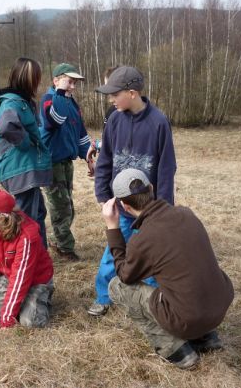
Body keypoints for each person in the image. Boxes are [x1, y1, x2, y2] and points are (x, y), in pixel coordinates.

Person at [102, 168, 234, 369]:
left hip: (190, 318)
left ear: (125, 207)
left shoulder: (143, 239)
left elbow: (125, 276)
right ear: (152, 188)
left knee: (116, 287)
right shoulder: (186, 213)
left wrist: (112, 228)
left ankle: (174, 348)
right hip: (219, 307)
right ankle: (206, 337)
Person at [88, 66, 177, 317]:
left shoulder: (159, 122)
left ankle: (151, 302)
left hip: (149, 210)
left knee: (151, 254)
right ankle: (104, 296)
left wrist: (163, 209)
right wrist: (103, 195)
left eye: (115, 94)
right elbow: (105, 159)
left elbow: (167, 168)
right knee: (112, 252)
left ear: (132, 93)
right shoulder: (115, 120)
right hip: (121, 206)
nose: (111, 99)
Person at [0, 189, 54, 329]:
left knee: (30, 323)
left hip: (36, 280)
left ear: (0, 218)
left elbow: (20, 279)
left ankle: (42, 296)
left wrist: (7, 319)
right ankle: (19, 303)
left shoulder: (27, 238)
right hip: (10, 276)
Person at [0, 57, 52, 248]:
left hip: (24, 168)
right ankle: (22, 255)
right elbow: (7, 126)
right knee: (25, 218)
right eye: (36, 78)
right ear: (29, 79)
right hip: (20, 169)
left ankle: (39, 252)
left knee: (38, 212)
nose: (38, 82)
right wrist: (26, 143)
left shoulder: (21, 102)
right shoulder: (13, 103)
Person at [39, 63, 91, 261]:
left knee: (68, 205)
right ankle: (65, 248)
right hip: (51, 163)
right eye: (69, 81)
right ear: (56, 80)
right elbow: (54, 121)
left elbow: (80, 133)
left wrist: (88, 156)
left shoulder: (72, 104)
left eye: (75, 82)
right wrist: (60, 93)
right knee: (61, 207)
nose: (73, 86)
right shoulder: (48, 100)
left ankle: (57, 239)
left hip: (66, 163)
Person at [86, 66, 119, 174]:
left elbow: (117, 146)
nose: (110, 99)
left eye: (113, 92)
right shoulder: (112, 111)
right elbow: (108, 142)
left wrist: (96, 145)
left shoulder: (121, 114)